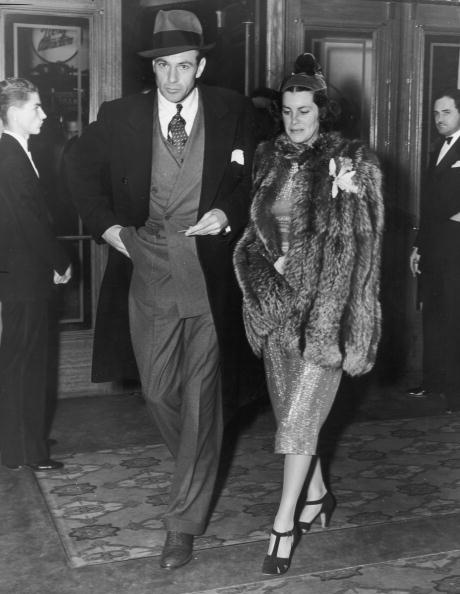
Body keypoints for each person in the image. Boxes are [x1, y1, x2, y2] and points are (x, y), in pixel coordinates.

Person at [64, 10, 255, 569]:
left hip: (208, 274)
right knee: (157, 392)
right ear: (154, 68)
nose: (174, 78)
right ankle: (200, 461)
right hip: (145, 266)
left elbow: (250, 177)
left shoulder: (231, 110)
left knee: (200, 397)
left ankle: (182, 523)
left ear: (202, 65)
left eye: (184, 65)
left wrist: (227, 212)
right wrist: (109, 228)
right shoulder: (120, 115)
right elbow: (76, 169)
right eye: (164, 66)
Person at [234, 53, 384, 574]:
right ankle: (317, 494)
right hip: (278, 307)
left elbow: (361, 246)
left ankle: (282, 524)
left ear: (324, 111)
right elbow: (253, 230)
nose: (296, 121)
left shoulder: (352, 162)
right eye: (289, 111)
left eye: (305, 111)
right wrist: (270, 261)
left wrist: (334, 299)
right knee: (291, 416)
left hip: (326, 310)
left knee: (299, 420)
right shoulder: (266, 158)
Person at [0, 78, 72, 471]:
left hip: (21, 274)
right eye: (36, 107)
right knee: (25, 362)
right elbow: (29, 221)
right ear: (14, 113)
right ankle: (25, 450)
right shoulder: (10, 155)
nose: (43, 114)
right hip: (24, 276)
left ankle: (22, 439)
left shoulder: (14, 151)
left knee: (21, 360)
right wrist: (59, 261)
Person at [408, 88, 460, 412]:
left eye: (446, 113)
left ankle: (456, 390)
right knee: (435, 312)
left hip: (456, 244)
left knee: (456, 314)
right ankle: (434, 382)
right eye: (436, 114)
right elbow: (429, 206)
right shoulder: (436, 150)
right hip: (434, 243)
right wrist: (417, 246)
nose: (439, 119)